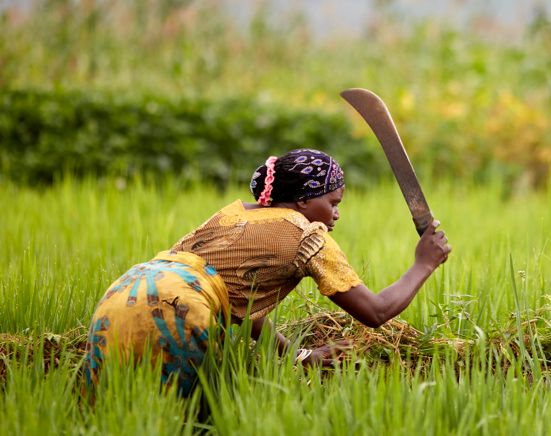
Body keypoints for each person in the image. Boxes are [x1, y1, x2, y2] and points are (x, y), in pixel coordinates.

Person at [83, 148, 451, 395]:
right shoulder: (309, 235)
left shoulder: (235, 213)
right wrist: (424, 263)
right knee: (179, 418)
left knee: (107, 408)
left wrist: (296, 354)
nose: (337, 214)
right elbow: (376, 312)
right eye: (333, 203)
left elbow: (240, 304)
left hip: (126, 291)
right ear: (304, 200)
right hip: (180, 309)